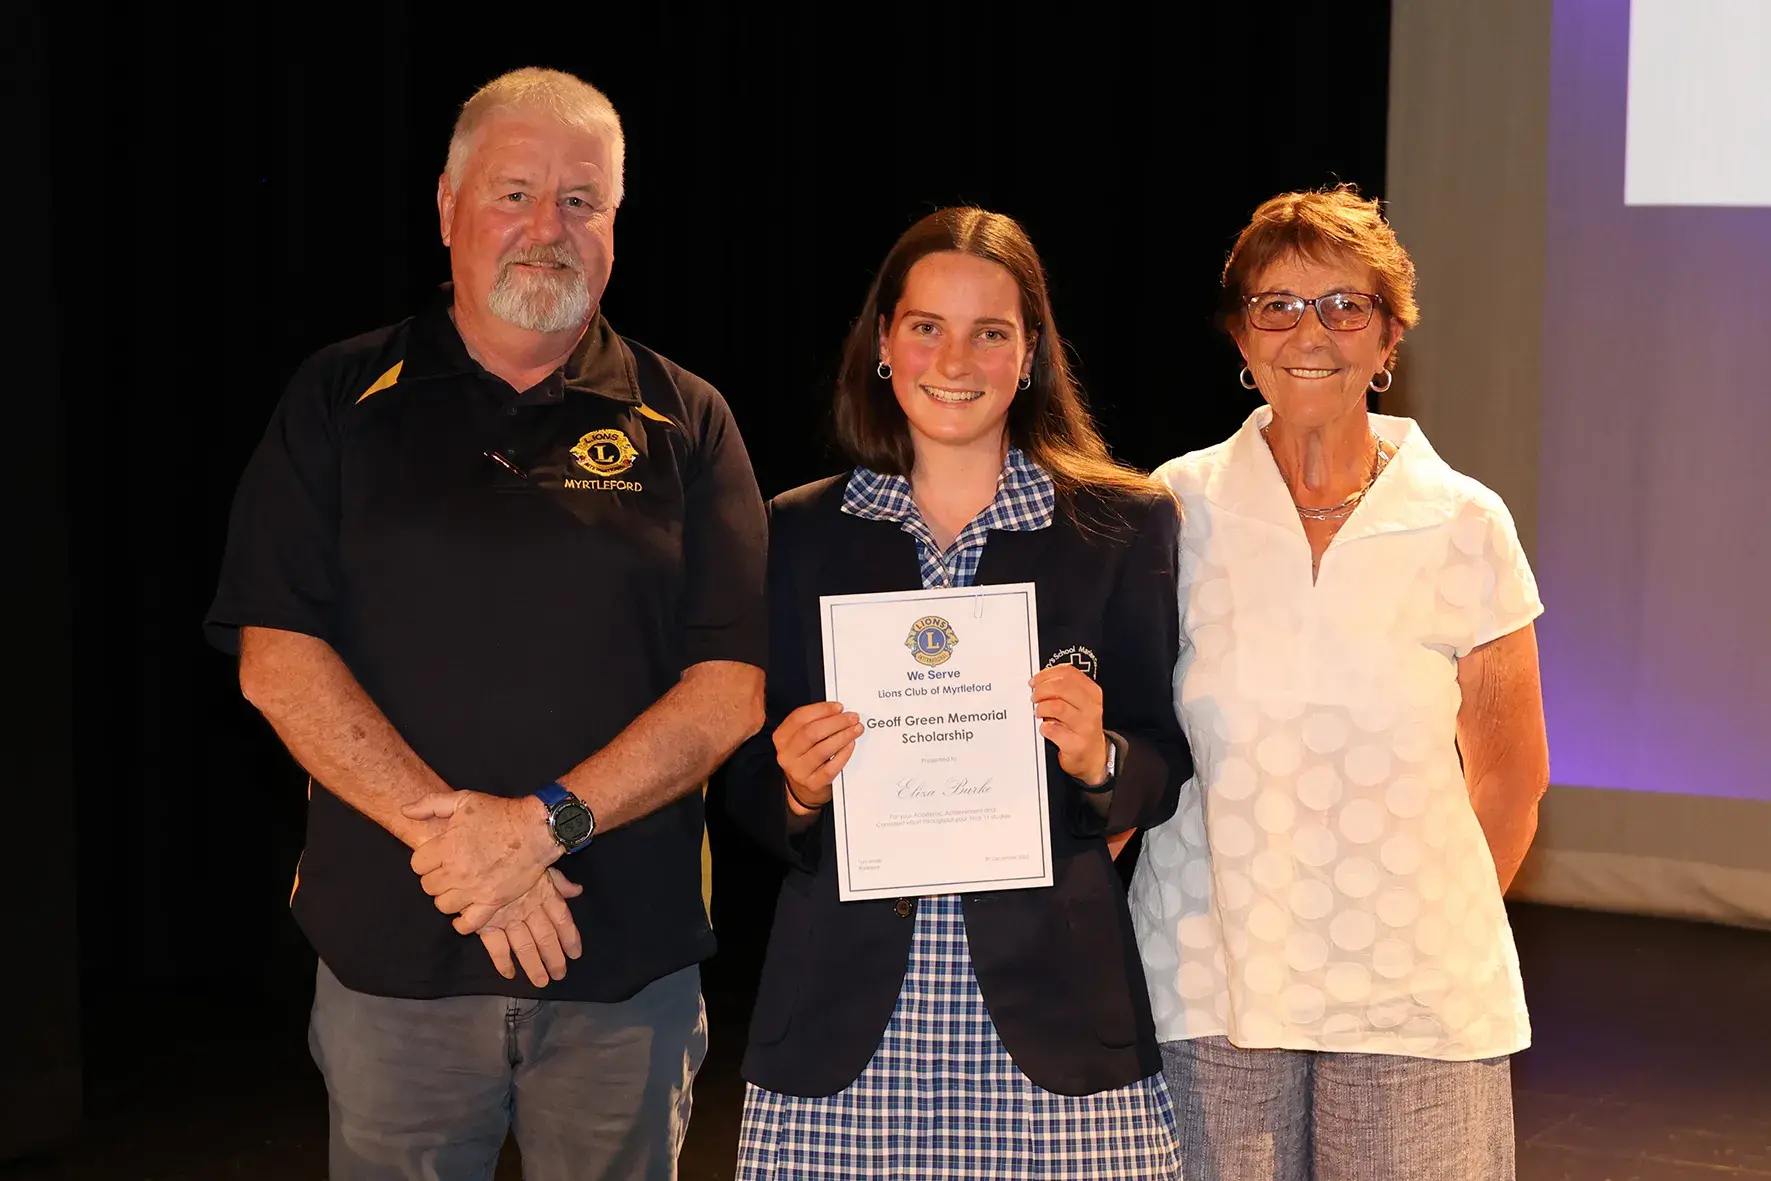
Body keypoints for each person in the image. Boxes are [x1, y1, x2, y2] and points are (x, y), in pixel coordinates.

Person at [205, 68, 767, 1181]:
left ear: (613, 223)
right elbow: (276, 657)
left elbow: (729, 689)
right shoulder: (338, 397)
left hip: (623, 970)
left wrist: (540, 824)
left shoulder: (688, 418)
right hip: (394, 969)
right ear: (448, 205)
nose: (546, 228)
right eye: (515, 193)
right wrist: (467, 844)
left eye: (581, 200)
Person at [725, 207, 1192, 1179]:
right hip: (840, 1030)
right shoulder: (797, 531)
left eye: (991, 331)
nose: (956, 356)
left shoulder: (1120, 524)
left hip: (1056, 1027)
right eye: (927, 325)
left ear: (1029, 356)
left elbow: (1161, 757)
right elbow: (739, 776)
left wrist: (1099, 757)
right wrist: (795, 788)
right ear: (884, 344)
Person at [1128, 185, 1550, 1180]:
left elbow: (1510, 782)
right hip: (1209, 980)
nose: (1307, 331)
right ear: (1240, 334)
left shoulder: (1463, 522)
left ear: (1388, 337)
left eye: (1342, 305)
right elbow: (1136, 744)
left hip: (1413, 1002)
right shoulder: (1172, 508)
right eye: (1276, 303)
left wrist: (1417, 938)